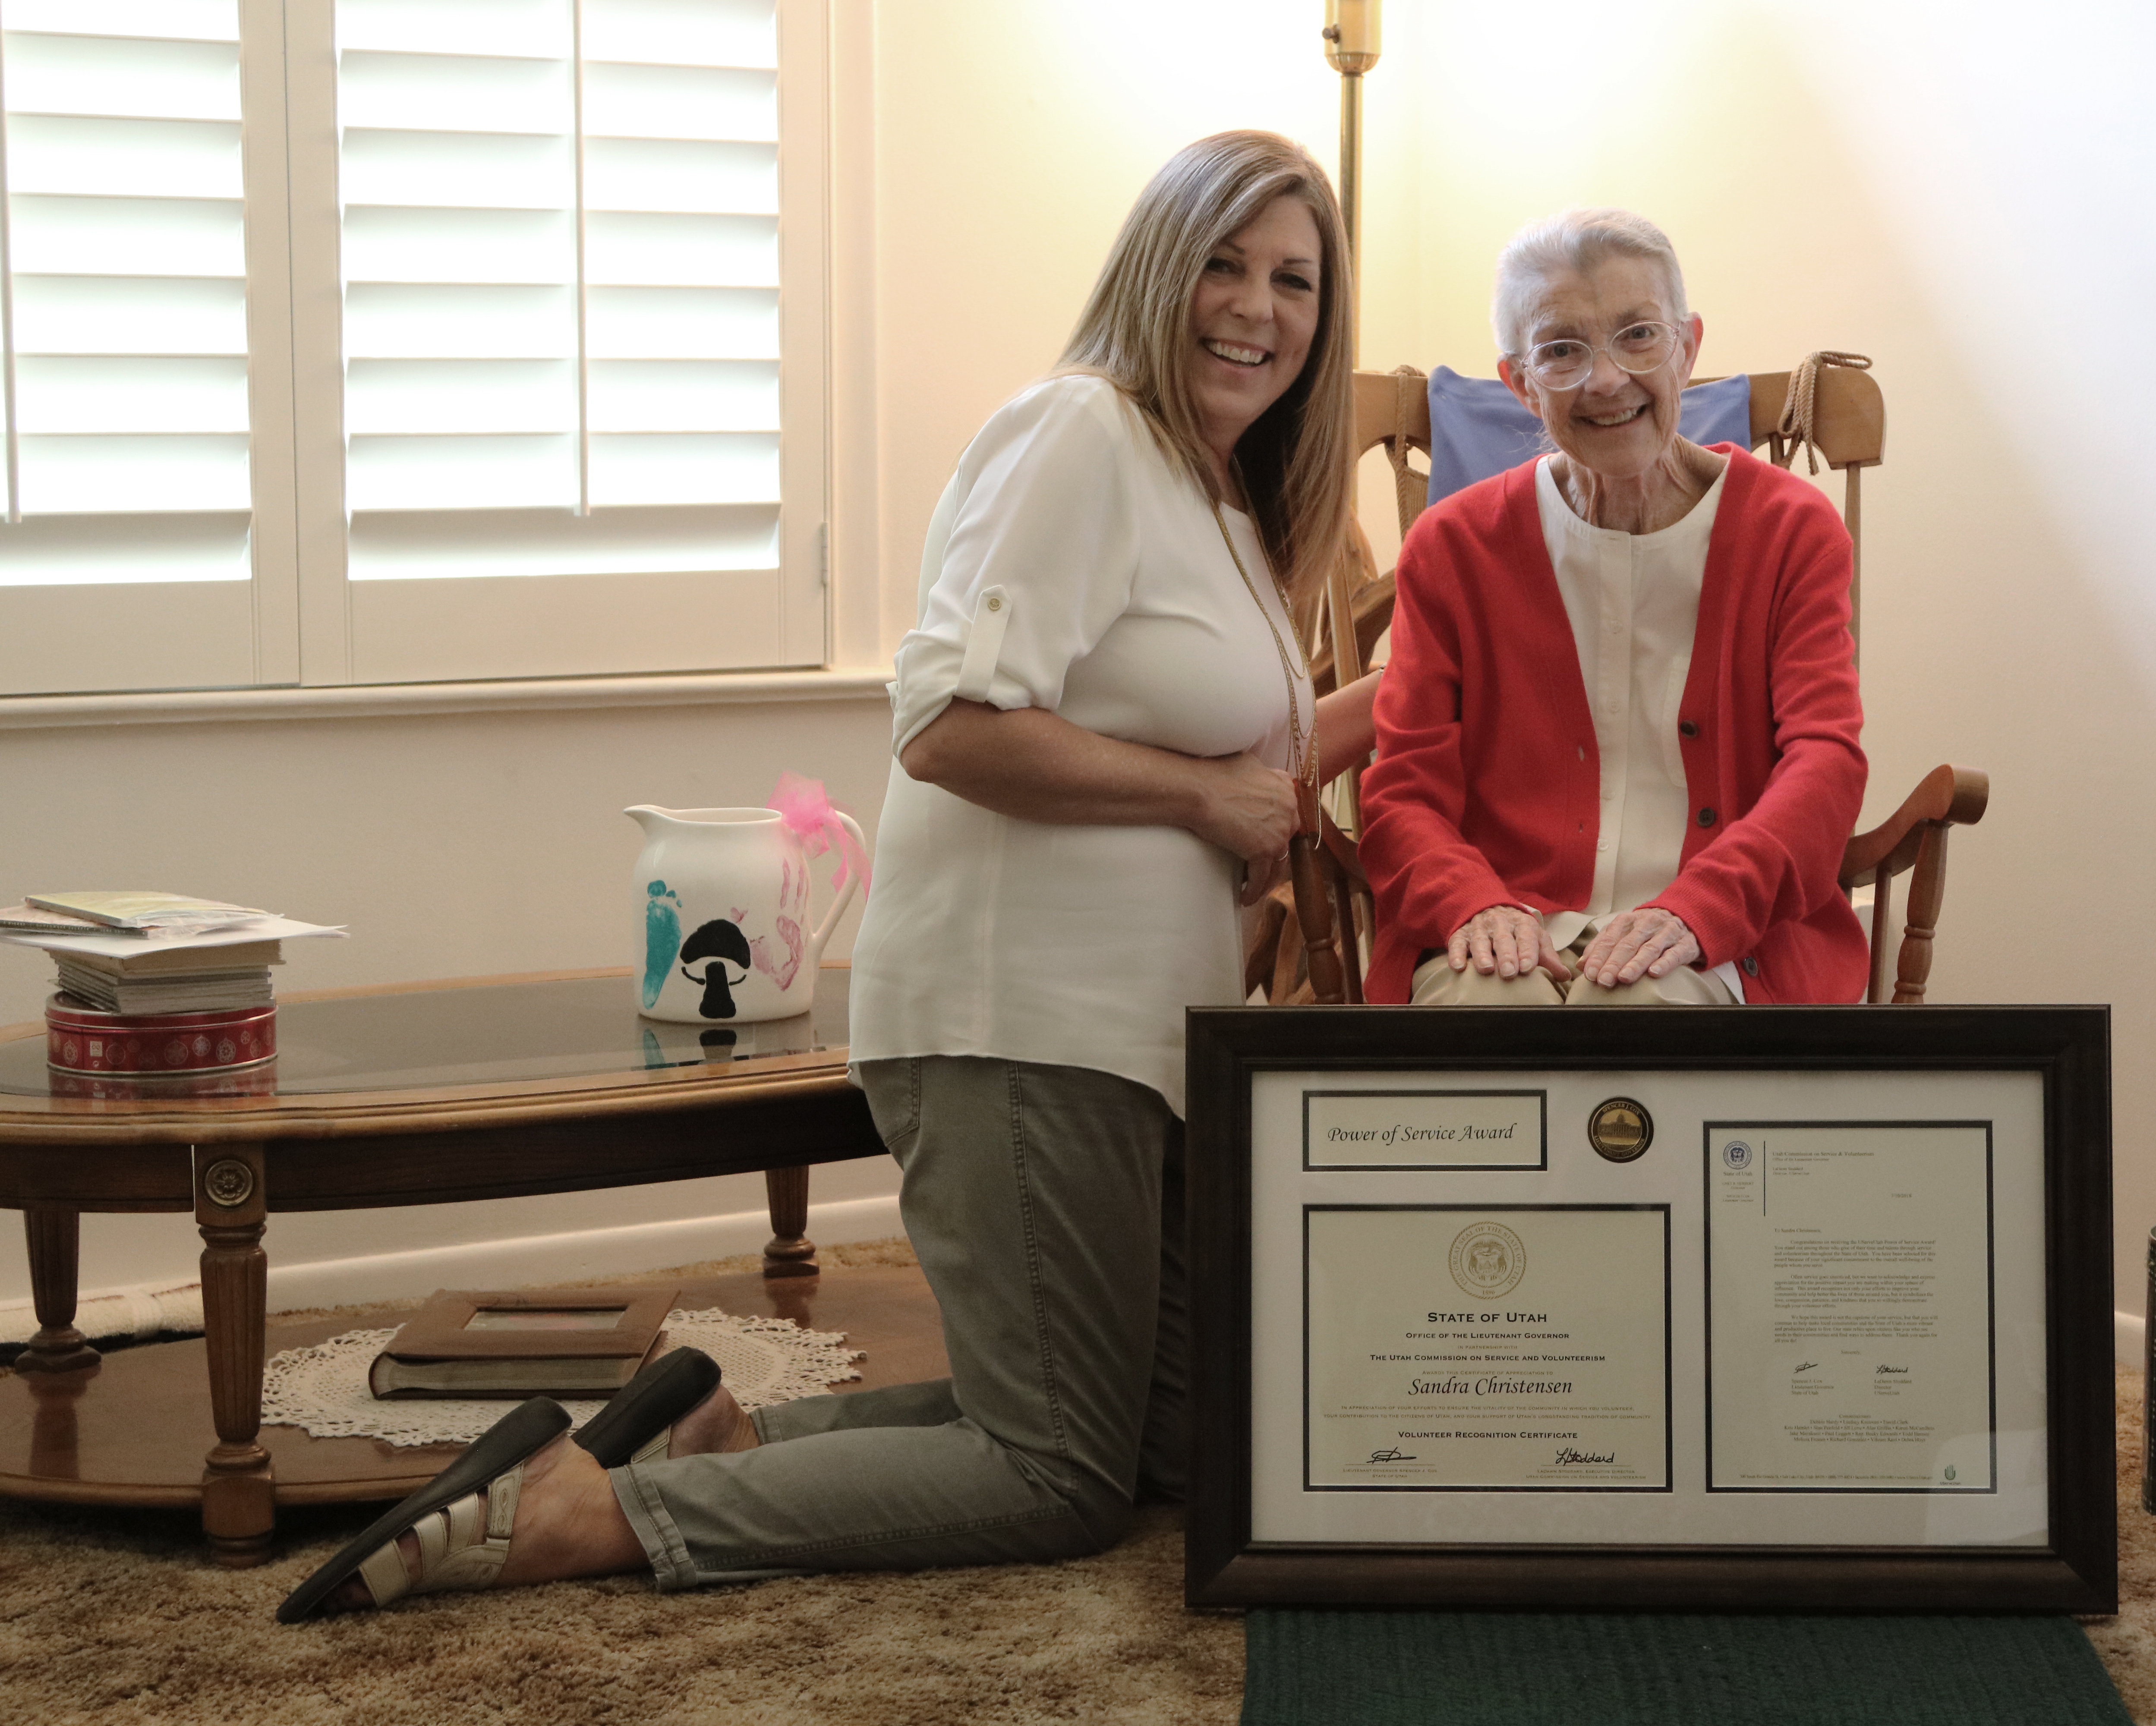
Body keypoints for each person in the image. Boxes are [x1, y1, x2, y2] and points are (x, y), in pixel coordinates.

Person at [281, 129, 1378, 1620]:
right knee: (1056, 1482)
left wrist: (1420, 686)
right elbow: (945, 725)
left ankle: (713, 1437)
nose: (1258, 307)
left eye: (1296, 281)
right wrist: (1203, 798)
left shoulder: (1225, 500)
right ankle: (585, 1518)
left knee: (1175, 1455)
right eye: (1226, 265)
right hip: (1022, 1021)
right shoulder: (1082, 434)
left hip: (1135, 1038)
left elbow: (1243, 772)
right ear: (1157, 271)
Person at [1357, 209, 1868, 1008]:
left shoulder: (1790, 532)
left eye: (1638, 336)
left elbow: (1824, 763)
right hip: (1506, 920)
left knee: (1635, 1010)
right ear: (1521, 384)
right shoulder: (1451, 547)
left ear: (1688, 346)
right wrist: (1474, 901)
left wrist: (1703, 910)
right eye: (1562, 350)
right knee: (1488, 1008)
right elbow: (1404, 791)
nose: (1605, 379)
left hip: (1722, 939)